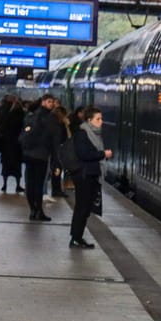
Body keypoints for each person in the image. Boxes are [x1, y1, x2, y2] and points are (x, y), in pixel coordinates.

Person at [69, 107, 111, 249]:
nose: (101, 122)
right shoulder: (83, 134)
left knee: (84, 208)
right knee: (82, 208)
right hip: (84, 176)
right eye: (98, 119)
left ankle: (77, 237)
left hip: (90, 175)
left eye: (101, 118)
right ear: (89, 120)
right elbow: (84, 154)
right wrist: (102, 154)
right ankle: (76, 238)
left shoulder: (94, 134)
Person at [21, 94, 64, 221]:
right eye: (50, 102)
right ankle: (39, 211)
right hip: (42, 155)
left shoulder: (31, 116)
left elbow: (24, 132)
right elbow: (55, 141)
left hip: (29, 154)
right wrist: (56, 161)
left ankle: (32, 210)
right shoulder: (52, 119)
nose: (52, 104)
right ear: (44, 102)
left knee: (30, 183)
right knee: (38, 184)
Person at [0, 94, 25, 193]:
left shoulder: (7, 114)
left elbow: (2, 128)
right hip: (18, 145)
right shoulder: (22, 115)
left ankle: (4, 185)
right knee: (17, 166)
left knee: (6, 165)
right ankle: (18, 185)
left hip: (7, 144)